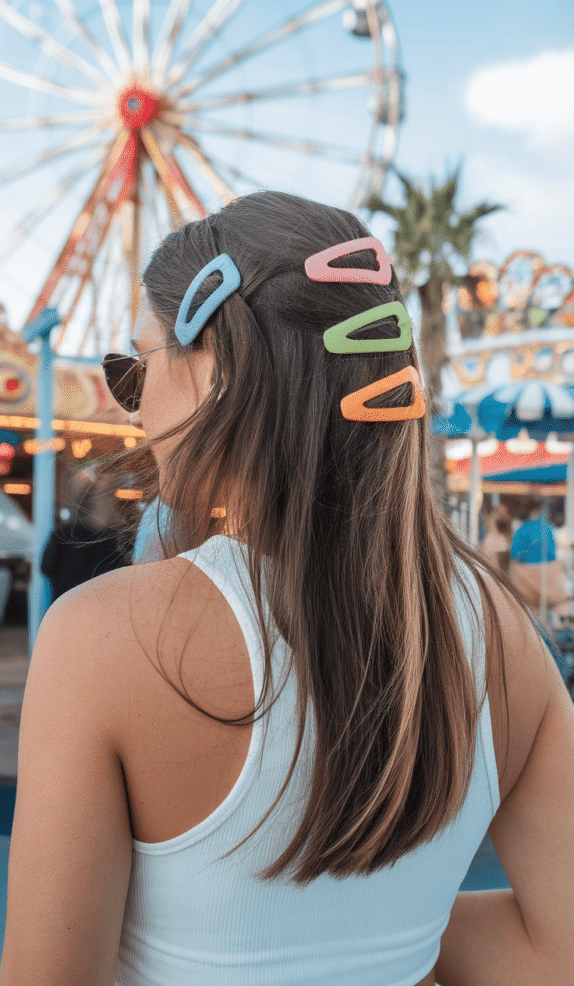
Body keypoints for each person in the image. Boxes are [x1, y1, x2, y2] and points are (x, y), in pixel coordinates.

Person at [2, 192, 573, 986]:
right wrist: (394, 928)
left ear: (216, 369)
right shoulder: (507, 639)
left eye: (140, 367)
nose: (137, 414)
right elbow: (556, 954)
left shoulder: (100, 640)